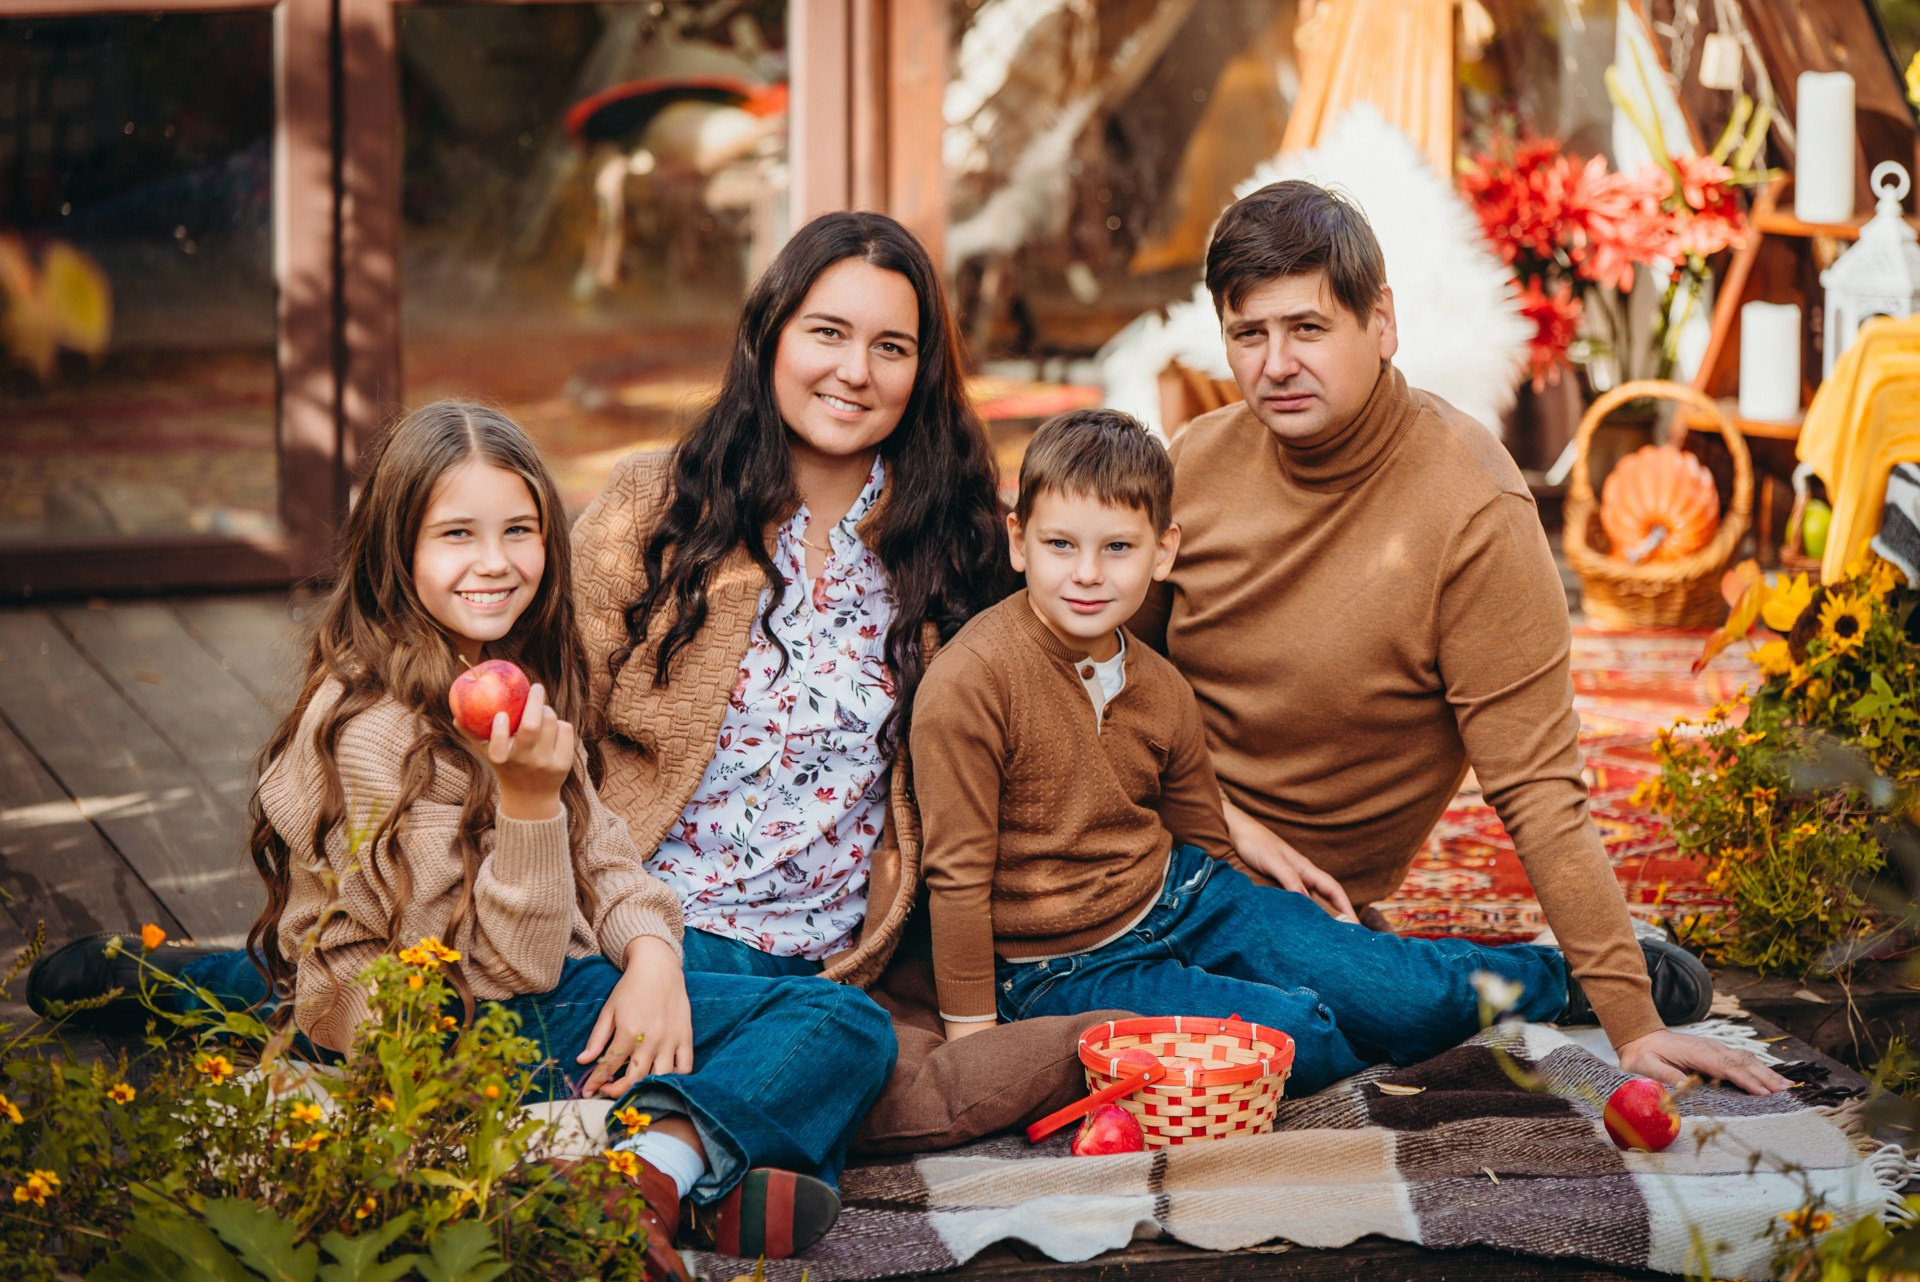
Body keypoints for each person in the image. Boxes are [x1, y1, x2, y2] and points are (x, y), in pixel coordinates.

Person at [30, 401, 896, 1279]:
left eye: (519, 529)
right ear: (395, 552)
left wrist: (653, 960)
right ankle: (646, 1173)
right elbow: (494, 975)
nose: (494, 562)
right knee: (840, 1025)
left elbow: (607, 859)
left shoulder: (513, 673)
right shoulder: (374, 734)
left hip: (536, 999)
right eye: (457, 534)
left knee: (830, 1024)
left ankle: (659, 1170)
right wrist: (526, 807)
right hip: (453, 1029)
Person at [1128, 179, 1790, 1094]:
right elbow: (1103, 678)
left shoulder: (1470, 506)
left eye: (1308, 329)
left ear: (1382, 322)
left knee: (1340, 1028)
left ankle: (1553, 976)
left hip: (1294, 906)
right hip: (1149, 840)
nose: (1275, 364)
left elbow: (1538, 788)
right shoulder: (1193, 463)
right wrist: (1218, 822)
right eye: (1250, 334)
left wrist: (1632, 1023)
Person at [910, 408, 1702, 1093]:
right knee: (1300, 1037)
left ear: (1164, 553)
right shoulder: (973, 684)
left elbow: (1204, 833)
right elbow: (957, 873)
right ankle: (1347, 1029)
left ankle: (1570, 978)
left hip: (1183, 896)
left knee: (1397, 993)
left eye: (1117, 549)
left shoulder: (1158, 685)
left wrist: (1281, 932)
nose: (1087, 574)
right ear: (1019, 542)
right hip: (1065, 963)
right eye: (1060, 546)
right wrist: (974, 1038)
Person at [567, 209, 1117, 1148]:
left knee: (851, 1036)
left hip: (823, 974)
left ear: (924, 371)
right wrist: (642, 945)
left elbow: (1087, 684)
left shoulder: (959, 548)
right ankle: (709, 1154)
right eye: (827, 332)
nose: (855, 371)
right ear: (770, 336)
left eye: (891, 346)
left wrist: (1230, 826)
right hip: (640, 940)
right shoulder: (650, 505)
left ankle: (659, 1155)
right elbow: (550, 736)